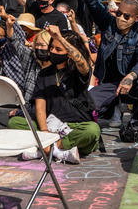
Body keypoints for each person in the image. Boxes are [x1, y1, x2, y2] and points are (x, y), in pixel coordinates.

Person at [78, 0, 138, 130]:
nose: (121, 18)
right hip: (111, 82)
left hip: (132, 82)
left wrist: (130, 77)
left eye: (126, 16)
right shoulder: (109, 24)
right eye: (119, 13)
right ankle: (112, 108)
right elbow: (94, 5)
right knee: (86, 103)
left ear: (134, 19)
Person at [9, 27, 100, 164]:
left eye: (58, 49)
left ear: (69, 53)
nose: (52, 51)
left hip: (74, 126)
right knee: (15, 123)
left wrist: (60, 38)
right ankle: (60, 152)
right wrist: (45, 130)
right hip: (50, 127)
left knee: (92, 131)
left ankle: (48, 149)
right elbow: (40, 104)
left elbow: (82, 63)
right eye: (51, 47)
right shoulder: (44, 73)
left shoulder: (78, 72)